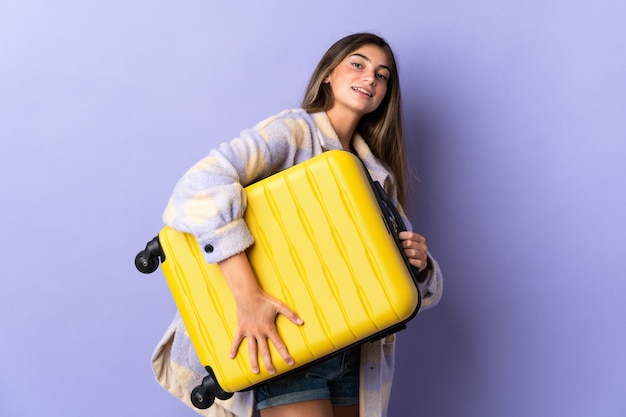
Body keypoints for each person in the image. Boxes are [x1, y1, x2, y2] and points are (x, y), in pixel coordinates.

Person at [151, 32, 443, 417]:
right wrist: (247, 296)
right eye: (358, 64)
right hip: (290, 341)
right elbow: (199, 187)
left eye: (382, 75)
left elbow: (422, 293)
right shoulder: (292, 132)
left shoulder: (377, 174)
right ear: (328, 74)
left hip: (355, 352)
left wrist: (419, 266)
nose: (371, 78)